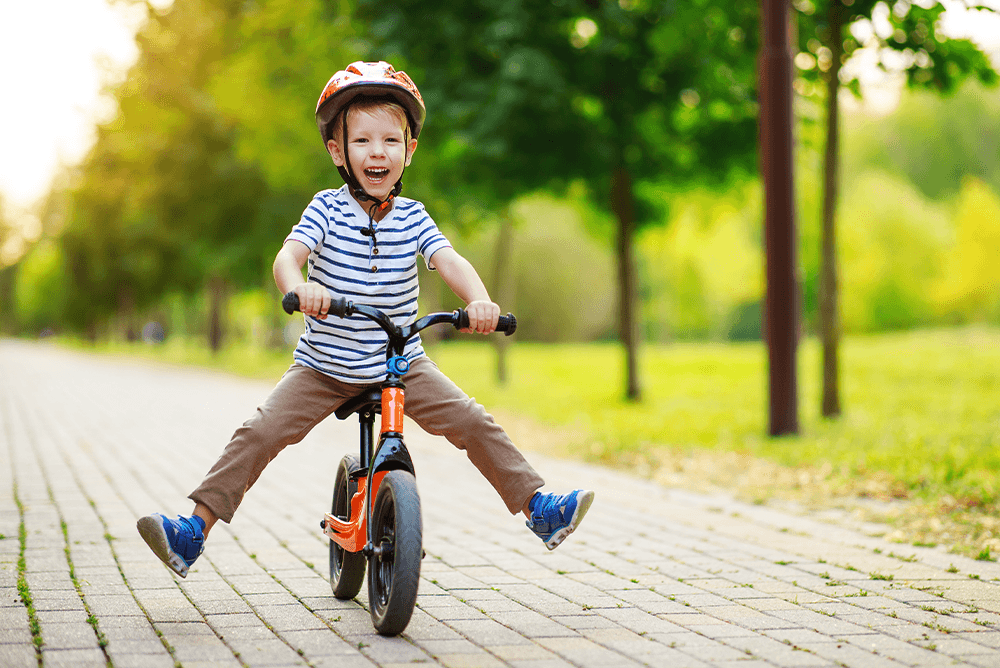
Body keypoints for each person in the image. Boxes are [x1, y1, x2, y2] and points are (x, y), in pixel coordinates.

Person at [137, 61, 594, 578]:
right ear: (339, 151)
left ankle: (538, 508)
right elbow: (287, 259)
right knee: (260, 432)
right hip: (324, 365)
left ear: (409, 150)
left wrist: (481, 300)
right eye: (363, 141)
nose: (378, 152)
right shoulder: (325, 210)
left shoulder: (415, 216)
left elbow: (450, 262)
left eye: (390, 141)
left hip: (401, 363)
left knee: (472, 420)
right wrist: (300, 287)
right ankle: (193, 530)